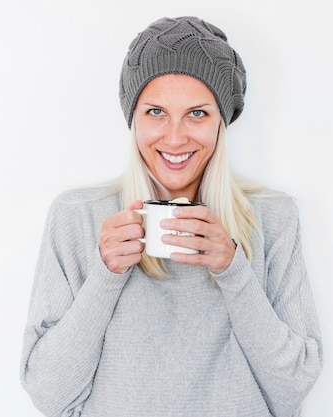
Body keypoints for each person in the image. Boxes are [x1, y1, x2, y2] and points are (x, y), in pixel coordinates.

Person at [19, 16, 323, 417]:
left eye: (197, 114)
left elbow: (292, 390)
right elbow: (48, 393)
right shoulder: (77, 218)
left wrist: (233, 270)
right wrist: (106, 275)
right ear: (133, 119)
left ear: (221, 123)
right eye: (156, 111)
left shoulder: (273, 217)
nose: (175, 137)